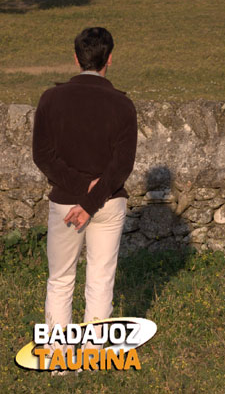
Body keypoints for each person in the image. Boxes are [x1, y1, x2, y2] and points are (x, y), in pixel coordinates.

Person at [32, 27, 137, 355]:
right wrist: (92, 197)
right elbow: (122, 167)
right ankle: (93, 354)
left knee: (61, 280)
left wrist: (80, 192)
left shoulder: (51, 99)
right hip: (107, 202)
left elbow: (42, 155)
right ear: (110, 59)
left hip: (66, 202)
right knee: (100, 279)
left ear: (76, 58)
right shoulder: (122, 105)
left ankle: (58, 358)